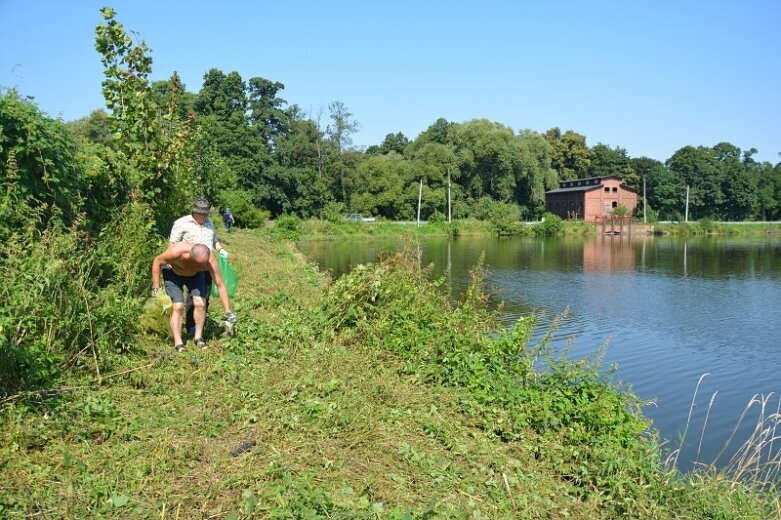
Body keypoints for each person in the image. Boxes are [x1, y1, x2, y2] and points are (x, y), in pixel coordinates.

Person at [152, 242, 237, 352]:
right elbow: (157, 261)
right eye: (199, 265)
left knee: (201, 303)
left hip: (194, 276)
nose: (203, 267)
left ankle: (198, 337)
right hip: (173, 274)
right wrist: (156, 288)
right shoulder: (177, 252)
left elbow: (220, 285)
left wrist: (228, 312)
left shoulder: (209, 261)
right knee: (178, 306)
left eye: (204, 265)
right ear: (190, 257)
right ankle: (178, 342)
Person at [169, 197, 228, 336]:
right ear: (194, 212)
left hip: (206, 265)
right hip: (189, 265)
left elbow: (214, 241)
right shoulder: (182, 223)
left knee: (204, 298)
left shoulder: (209, 223)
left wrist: (221, 250)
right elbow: (172, 245)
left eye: (206, 214)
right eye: (200, 214)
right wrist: (175, 263)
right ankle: (191, 328)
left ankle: (200, 324)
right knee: (192, 297)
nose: (203, 217)